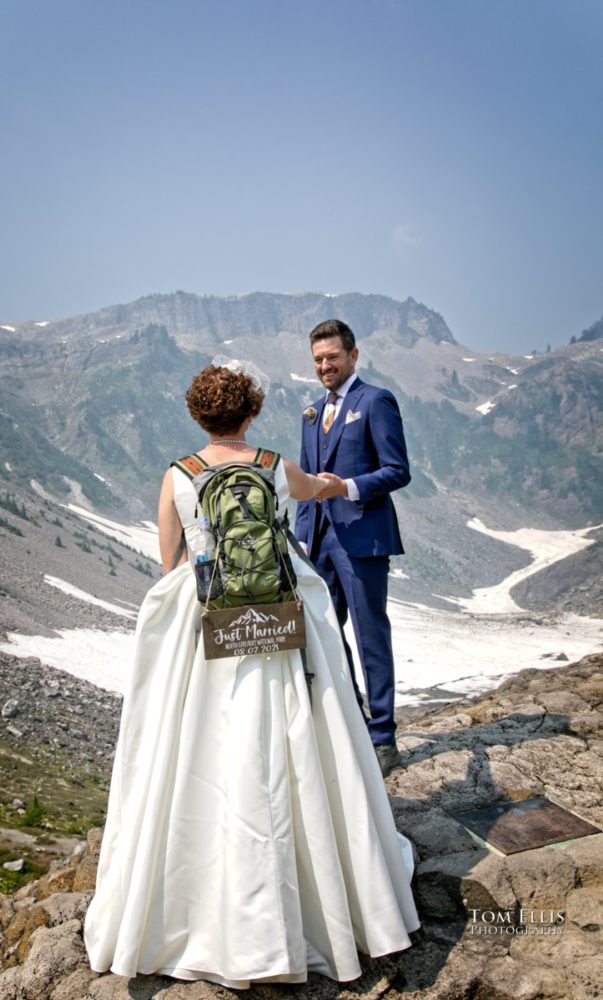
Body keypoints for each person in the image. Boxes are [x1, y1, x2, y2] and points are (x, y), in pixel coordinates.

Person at [84, 359, 419, 989]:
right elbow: (318, 492)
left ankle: (201, 900)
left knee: (197, 744)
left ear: (196, 415)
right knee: (294, 736)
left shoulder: (178, 475)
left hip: (211, 615)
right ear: (252, 412)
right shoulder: (271, 465)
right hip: (276, 613)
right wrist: (323, 484)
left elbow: (171, 558)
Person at [295, 320, 410, 777]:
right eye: (318, 360)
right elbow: (305, 479)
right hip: (320, 541)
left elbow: (398, 470)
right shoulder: (309, 413)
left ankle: (383, 738)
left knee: (370, 637)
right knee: (324, 634)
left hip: (363, 539)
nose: (325, 366)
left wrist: (349, 487)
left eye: (332, 358)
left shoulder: (376, 401)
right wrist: (303, 538)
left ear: (353, 356)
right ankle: (354, 720)